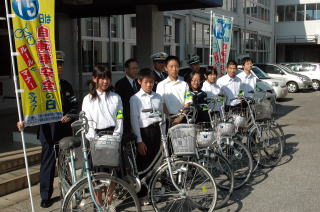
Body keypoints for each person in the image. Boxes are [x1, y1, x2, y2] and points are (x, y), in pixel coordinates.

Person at [17, 51, 78, 208]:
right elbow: (32, 108)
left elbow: (74, 106)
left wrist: (70, 115)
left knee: (66, 164)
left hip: (64, 132)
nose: (58, 67)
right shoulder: (40, 88)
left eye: (60, 64)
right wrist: (24, 122)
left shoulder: (66, 86)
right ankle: (45, 196)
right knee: (47, 166)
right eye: (55, 65)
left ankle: (70, 192)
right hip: (48, 133)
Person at [130, 69, 163, 202]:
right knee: (144, 164)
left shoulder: (158, 97)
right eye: (146, 82)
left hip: (157, 132)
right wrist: (139, 141)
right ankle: (142, 195)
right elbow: (134, 121)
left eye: (151, 82)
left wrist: (162, 137)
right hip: (144, 134)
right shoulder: (135, 99)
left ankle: (153, 191)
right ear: (139, 82)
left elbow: (161, 117)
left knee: (156, 164)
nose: (149, 85)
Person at [156, 56, 192, 125]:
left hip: (183, 119)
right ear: (166, 68)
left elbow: (188, 103)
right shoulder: (161, 85)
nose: (174, 69)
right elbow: (161, 103)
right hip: (167, 120)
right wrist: (170, 117)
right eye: (171, 66)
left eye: (176, 66)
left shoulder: (185, 84)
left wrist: (180, 118)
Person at [115, 59, 140, 132]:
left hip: (140, 119)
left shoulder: (139, 82)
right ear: (126, 69)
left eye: (137, 68)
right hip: (127, 120)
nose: (136, 70)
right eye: (133, 68)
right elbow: (120, 105)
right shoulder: (120, 84)